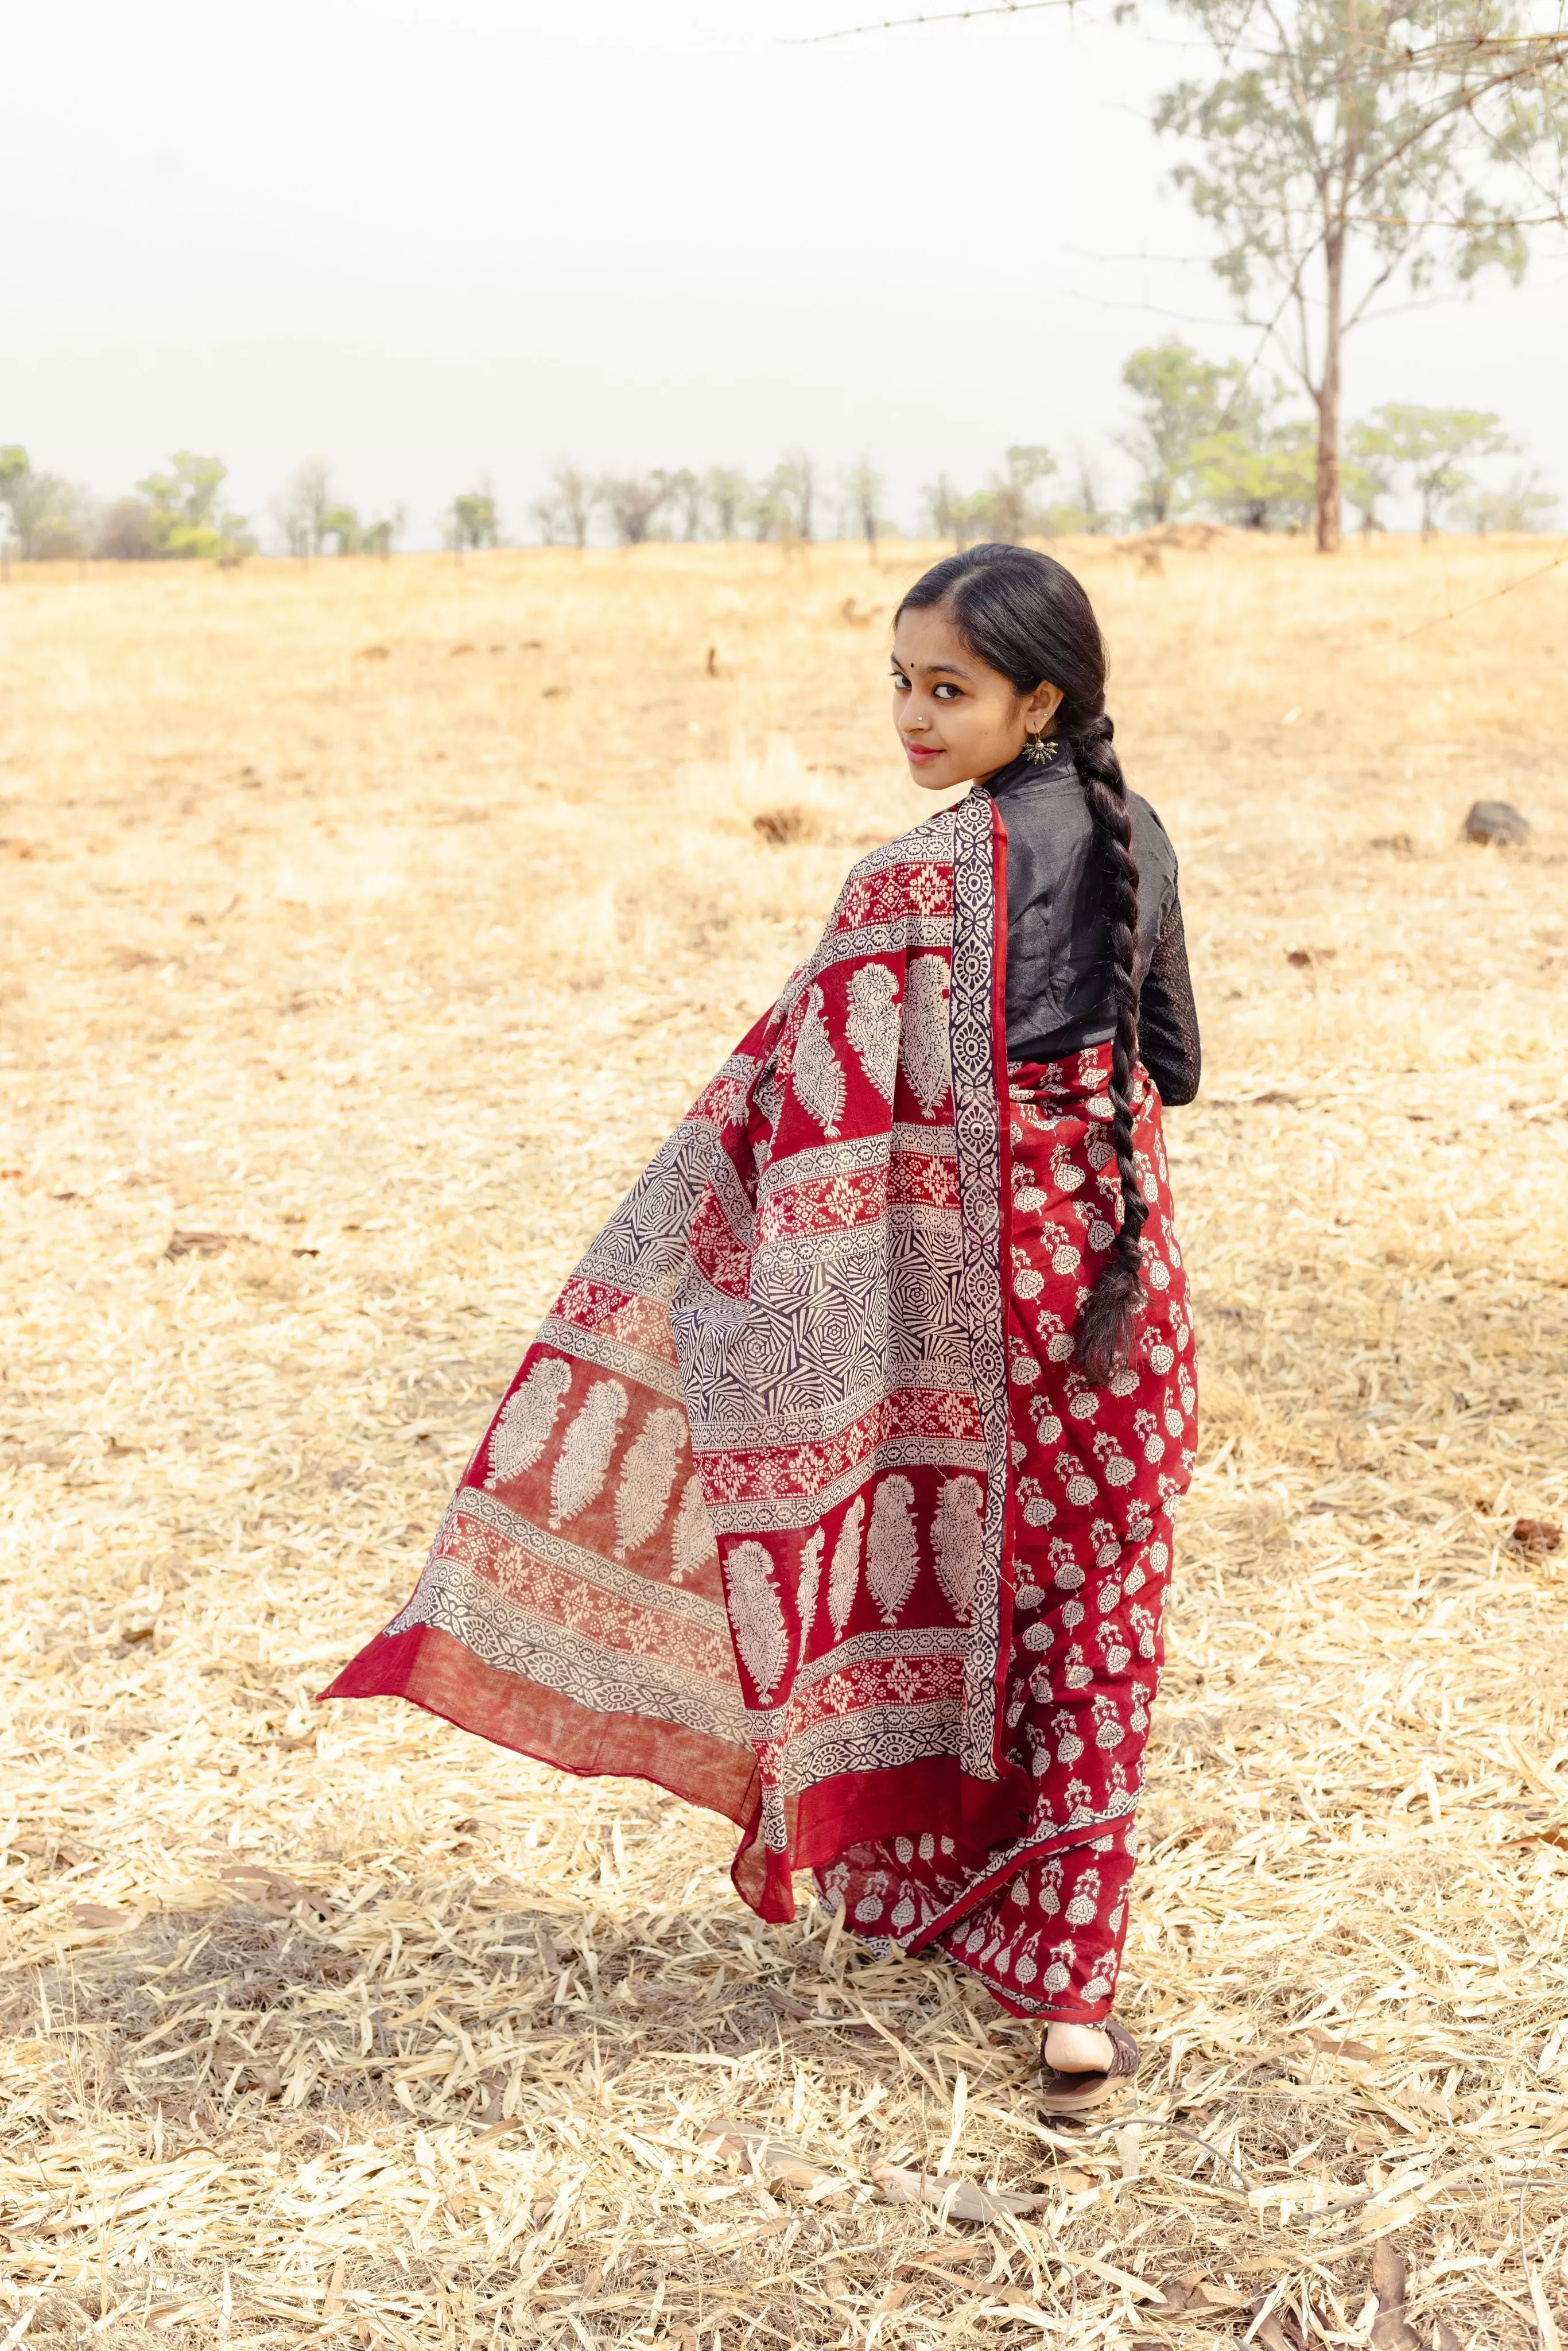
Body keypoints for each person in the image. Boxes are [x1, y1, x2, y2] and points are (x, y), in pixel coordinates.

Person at [324, 543, 1200, 2113]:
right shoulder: (1140, 840)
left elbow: (787, 1102)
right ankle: (1069, 1992)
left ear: (1037, 699)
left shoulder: (908, 879)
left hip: (951, 1320)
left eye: (948, 691)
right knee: (1091, 1635)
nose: (913, 718)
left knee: (939, 1587)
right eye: (901, 684)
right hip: (1119, 1299)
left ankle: (956, 1911)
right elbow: (1171, 1066)